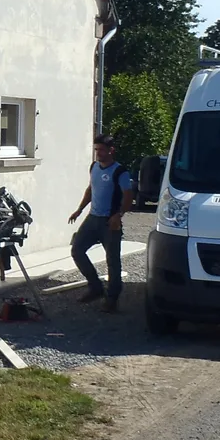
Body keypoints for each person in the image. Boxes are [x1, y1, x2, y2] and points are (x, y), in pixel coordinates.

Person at [69, 134, 135, 312]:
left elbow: (128, 196)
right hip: (92, 218)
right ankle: (95, 287)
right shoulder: (94, 167)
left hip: (110, 221)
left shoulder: (120, 172)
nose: (98, 153)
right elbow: (91, 189)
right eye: (96, 149)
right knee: (77, 250)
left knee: (112, 260)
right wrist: (79, 209)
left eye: (101, 150)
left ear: (111, 150)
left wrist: (119, 215)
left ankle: (112, 298)